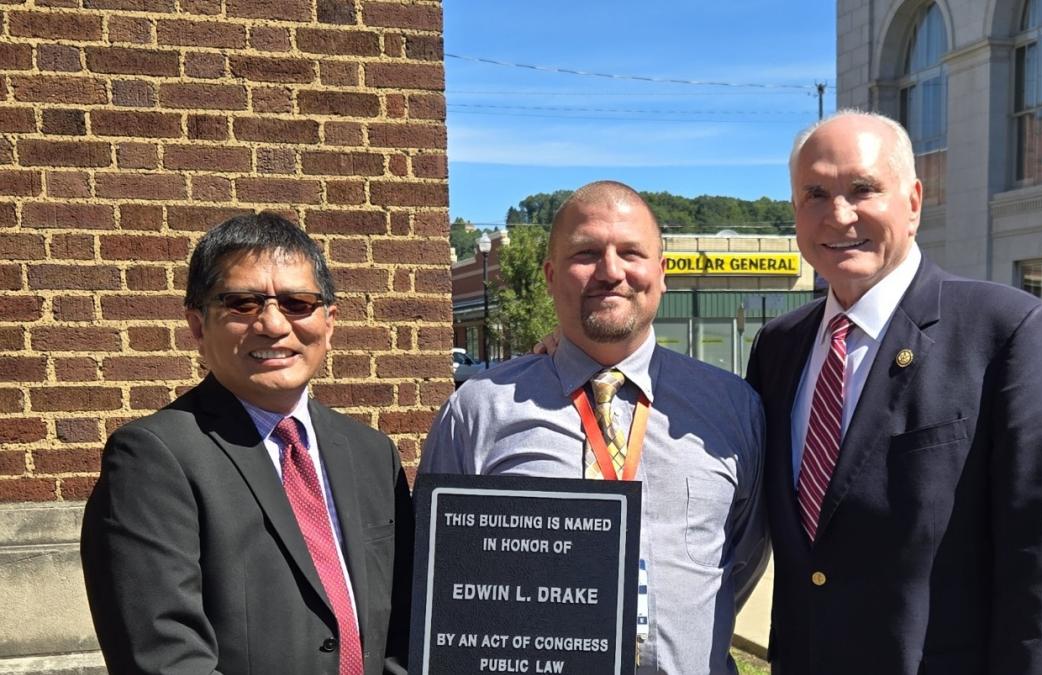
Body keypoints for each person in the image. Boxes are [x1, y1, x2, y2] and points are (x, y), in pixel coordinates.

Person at [745, 111, 1042, 674]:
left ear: (913, 201)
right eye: (815, 193)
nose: (839, 214)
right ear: (795, 212)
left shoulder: (1006, 330)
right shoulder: (778, 347)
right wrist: (583, 351)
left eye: (863, 189)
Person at [420, 181, 768, 674]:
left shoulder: (733, 409)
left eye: (631, 252)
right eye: (586, 253)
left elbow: (740, 560)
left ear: (661, 273)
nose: (611, 271)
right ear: (550, 275)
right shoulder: (478, 412)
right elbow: (445, 580)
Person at [80, 213, 414, 675]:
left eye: (298, 303)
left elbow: (406, 629)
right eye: (242, 304)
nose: (274, 324)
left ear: (329, 322)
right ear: (198, 326)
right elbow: (166, 660)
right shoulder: (154, 458)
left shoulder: (373, 454)